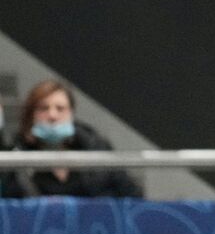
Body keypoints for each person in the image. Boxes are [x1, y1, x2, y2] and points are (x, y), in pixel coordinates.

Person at [4, 80, 139, 199]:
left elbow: (133, 195)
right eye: (44, 108)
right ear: (31, 116)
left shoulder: (97, 149)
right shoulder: (15, 159)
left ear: (71, 114)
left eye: (60, 108)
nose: (52, 115)